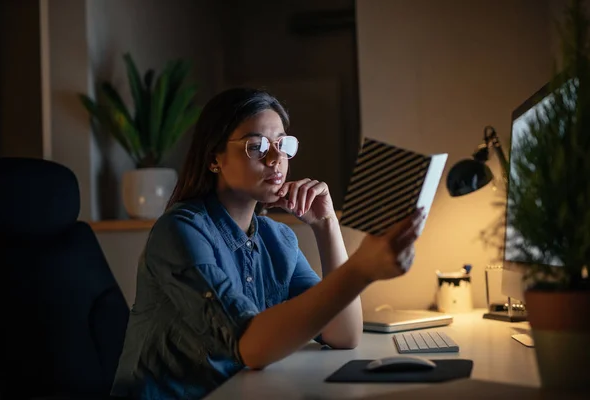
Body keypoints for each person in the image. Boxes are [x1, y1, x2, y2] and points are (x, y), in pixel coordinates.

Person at [111, 88, 424, 399]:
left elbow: (343, 334)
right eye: (256, 146)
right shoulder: (180, 231)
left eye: (282, 144)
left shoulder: (277, 238)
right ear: (214, 159)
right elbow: (250, 347)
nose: (276, 159)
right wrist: (361, 269)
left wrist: (327, 226)